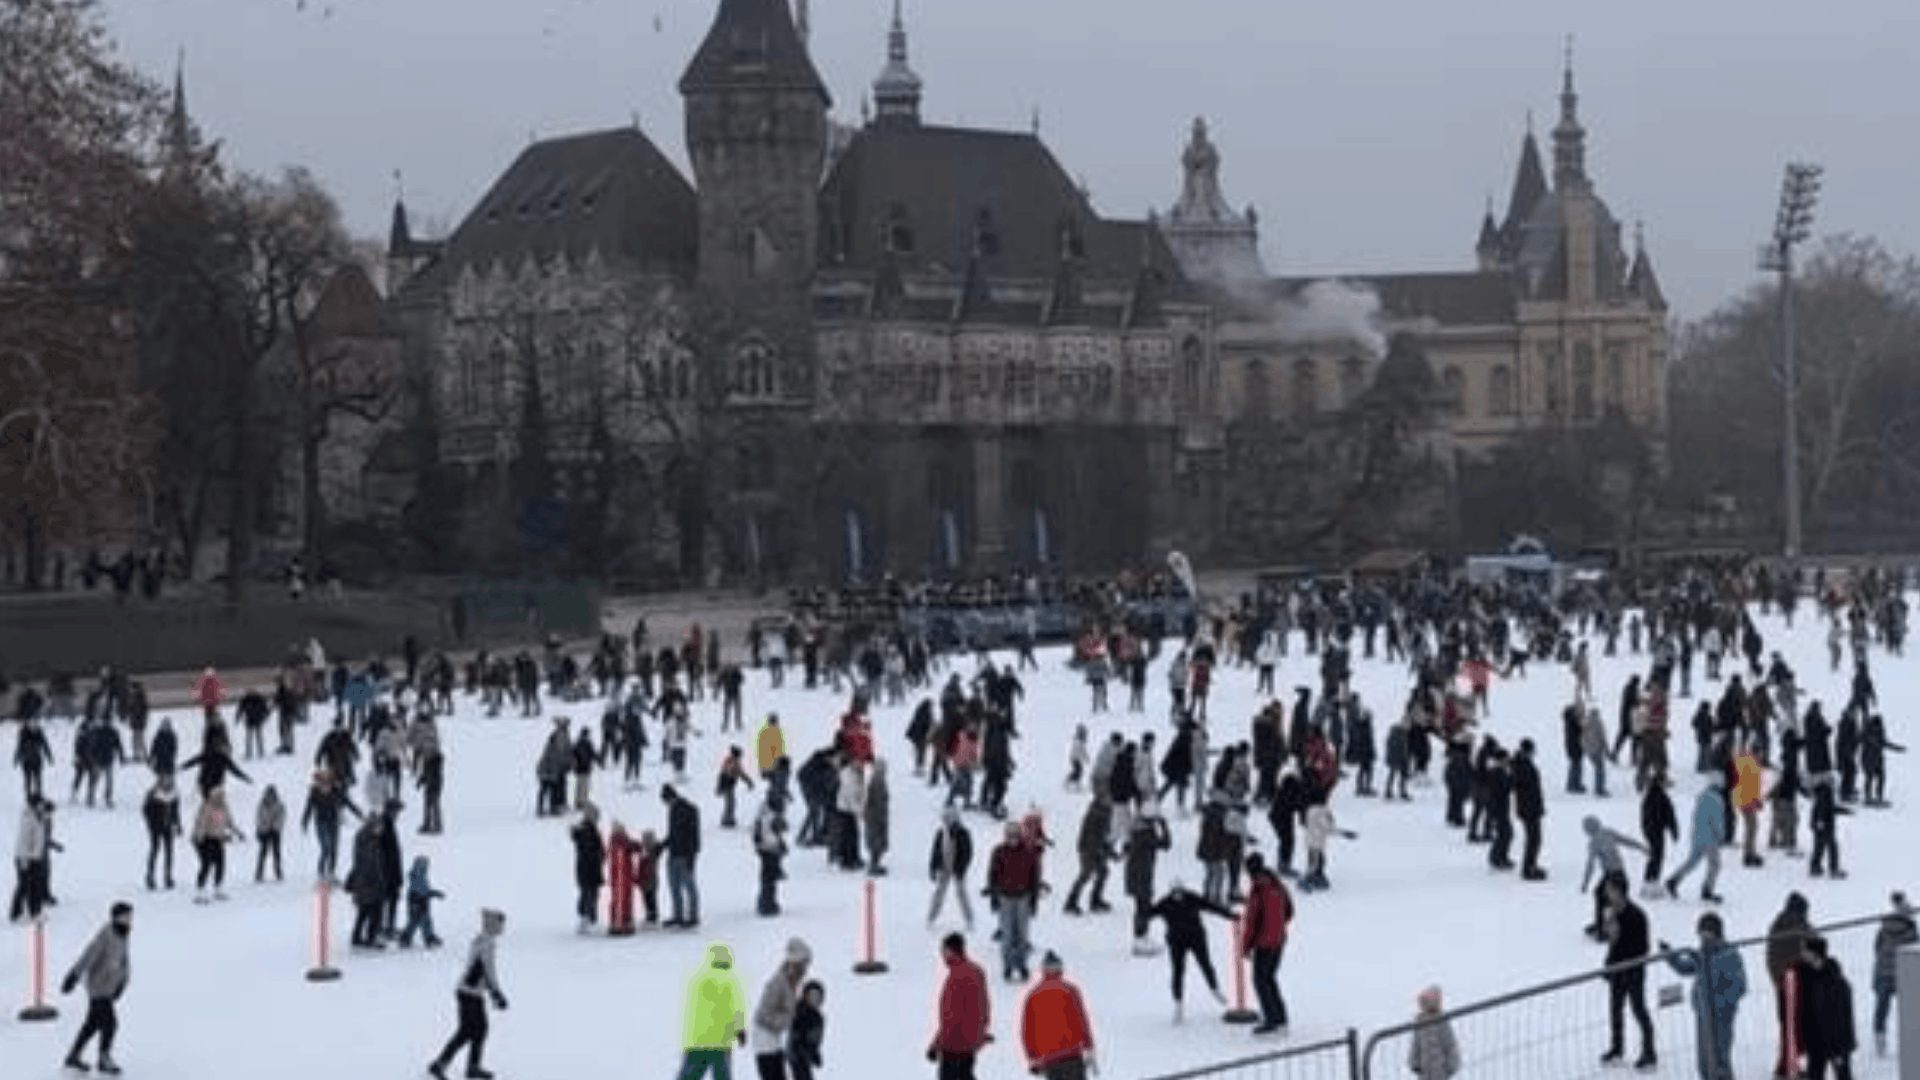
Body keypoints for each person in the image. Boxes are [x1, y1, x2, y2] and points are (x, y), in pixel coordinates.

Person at [1660, 911, 1746, 1080]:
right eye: (1701, 935)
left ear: (1717, 934)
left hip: (1721, 1017)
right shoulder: (1703, 954)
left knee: (1720, 1058)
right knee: (1704, 1060)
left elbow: (1739, 986)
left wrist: (1718, 1004)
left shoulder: (1729, 955)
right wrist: (1670, 956)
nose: (1703, 940)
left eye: (1708, 936)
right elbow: (1686, 968)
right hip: (1703, 1014)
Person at [428, 908, 508, 1080]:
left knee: (472, 1030)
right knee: (473, 1030)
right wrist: (497, 993)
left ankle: (463, 1066)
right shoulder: (487, 944)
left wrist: (494, 993)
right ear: (493, 925)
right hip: (470, 993)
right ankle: (451, 1065)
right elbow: (489, 971)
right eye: (501, 924)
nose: (503, 928)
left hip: (468, 992)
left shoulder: (481, 940)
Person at [1145, 878, 1234, 1021]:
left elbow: (1211, 906)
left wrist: (1229, 914)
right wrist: (1143, 909)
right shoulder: (1165, 903)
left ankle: (1215, 989)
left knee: (1205, 964)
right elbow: (1149, 913)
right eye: (1175, 892)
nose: (1178, 894)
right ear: (1171, 892)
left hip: (1196, 938)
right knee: (1178, 971)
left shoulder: (1192, 897)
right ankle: (1178, 1004)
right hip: (1176, 941)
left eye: (1180, 891)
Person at [60, 901, 133, 1075]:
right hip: (98, 987)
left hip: (109, 988)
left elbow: (124, 961)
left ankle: (73, 1055)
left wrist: (123, 982)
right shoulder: (105, 935)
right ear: (116, 917)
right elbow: (89, 955)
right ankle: (104, 1059)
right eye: (126, 916)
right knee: (111, 1024)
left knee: (92, 1024)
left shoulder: (123, 934)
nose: (130, 920)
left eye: (131, 916)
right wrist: (74, 975)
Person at [1598, 875, 1656, 1070]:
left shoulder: (1636, 915)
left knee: (1639, 1010)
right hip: (1616, 969)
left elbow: (1643, 947)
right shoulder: (1611, 912)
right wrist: (1608, 964)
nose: (1606, 893)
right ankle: (1617, 1048)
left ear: (1620, 891)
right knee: (1615, 1010)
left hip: (1633, 971)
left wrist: (1616, 932)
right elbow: (1612, 943)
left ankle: (1649, 1052)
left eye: (1609, 889)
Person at [1021, 950, 1096, 1080]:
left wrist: (1032, 1057)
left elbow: (1028, 1031)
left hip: (1049, 1060)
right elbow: (1081, 1020)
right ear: (1060, 969)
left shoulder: (1032, 995)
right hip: (1072, 1055)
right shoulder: (1070, 990)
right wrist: (1088, 1046)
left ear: (1043, 970)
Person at [1240, 853, 1293, 1035]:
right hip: (1279, 940)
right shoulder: (1277, 884)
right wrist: (1278, 926)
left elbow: (1252, 922)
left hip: (1264, 943)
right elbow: (1289, 910)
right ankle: (1280, 1017)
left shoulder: (1258, 889)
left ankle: (1272, 1020)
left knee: (1261, 981)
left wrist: (1245, 947)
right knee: (1269, 979)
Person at [1792, 935, 1858, 1080]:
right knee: (1814, 1074)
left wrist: (1841, 1049)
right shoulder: (1804, 977)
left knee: (1843, 1075)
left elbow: (1843, 1018)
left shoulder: (1836, 982)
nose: (1802, 953)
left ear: (1815, 954)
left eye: (1805, 951)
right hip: (1815, 1042)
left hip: (1837, 1043)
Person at [927, 933, 992, 1080]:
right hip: (971, 1043)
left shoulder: (956, 977)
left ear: (950, 951)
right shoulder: (976, 971)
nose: (942, 956)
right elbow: (984, 1006)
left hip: (955, 1045)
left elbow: (952, 1017)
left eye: (943, 951)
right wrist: (982, 1032)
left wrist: (936, 1046)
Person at [680, 942, 749, 1080]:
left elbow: (690, 1011)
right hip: (720, 1044)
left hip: (696, 1044)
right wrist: (739, 1030)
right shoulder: (730, 980)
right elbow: (736, 1010)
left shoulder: (696, 980)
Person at [751, 938, 813, 1080]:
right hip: (764, 1037)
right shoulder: (778, 982)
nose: (806, 969)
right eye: (805, 963)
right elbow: (765, 1014)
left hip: (773, 1037)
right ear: (796, 963)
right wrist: (788, 1020)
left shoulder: (790, 981)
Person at [1769, 892, 1814, 1080]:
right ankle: (1786, 1069)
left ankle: (1788, 1066)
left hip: (1781, 979)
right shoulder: (1798, 926)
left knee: (1789, 1025)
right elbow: (1814, 944)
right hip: (1795, 980)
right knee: (1794, 1026)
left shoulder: (1778, 923)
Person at [1664, 776, 1727, 904]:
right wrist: (1721, 834)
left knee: (1692, 861)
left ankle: (1674, 880)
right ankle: (1707, 890)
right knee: (1715, 864)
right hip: (1710, 836)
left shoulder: (1702, 796)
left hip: (1697, 834)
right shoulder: (1717, 798)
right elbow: (1717, 819)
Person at [1871, 892, 1918, 1056]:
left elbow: (1876, 948)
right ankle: (1911, 1039)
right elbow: (1914, 953)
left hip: (1882, 972)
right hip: (1902, 973)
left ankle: (1879, 1037)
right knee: (1910, 1008)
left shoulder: (1883, 928)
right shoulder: (1911, 931)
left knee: (1882, 1007)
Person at [928, 807, 975, 930]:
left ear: (955, 819)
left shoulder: (963, 833)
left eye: (948, 819)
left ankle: (969, 920)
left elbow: (967, 853)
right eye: (944, 819)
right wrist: (932, 868)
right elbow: (935, 851)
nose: (946, 821)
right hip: (944, 867)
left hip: (958, 868)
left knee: (961, 893)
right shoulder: (940, 833)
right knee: (939, 893)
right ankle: (931, 918)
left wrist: (962, 869)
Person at [663, 784, 702, 928]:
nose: (666, 804)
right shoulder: (673, 810)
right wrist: (662, 845)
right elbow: (673, 834)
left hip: (685, 855)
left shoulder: (689, 810)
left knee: (689, 886)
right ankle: (678, 915)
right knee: (674, 887)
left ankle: (693, 916)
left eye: (666, 801)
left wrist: (691, 857)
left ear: (671, 797)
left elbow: (693, 836)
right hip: (674, 854)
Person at [1407, 985, 1460, 1080]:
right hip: (1424, 1070)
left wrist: (1452, 1065)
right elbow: (1416, 1044)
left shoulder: (1442, 1022)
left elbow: (1450, 1044)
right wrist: (1414, 1063)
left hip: (1441, 1070)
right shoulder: (1420, 1023)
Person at [571, 803, 605, 934]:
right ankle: (585, 918)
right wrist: (597, 855)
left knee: (591, 893)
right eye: (596, 816)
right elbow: (588, 848)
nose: (597, 818)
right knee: (588, 893)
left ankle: (590, 917)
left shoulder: (590, 828)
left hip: (591, 867)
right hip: (588, 867)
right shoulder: (586, 829)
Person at [788, 980, 825, 1080]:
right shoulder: (798, 1011)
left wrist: (814, 1053)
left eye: (817, 997)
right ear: (805, 996)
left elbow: (814, 1039)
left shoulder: (818, 1018)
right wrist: (798, 1046)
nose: (814, 999)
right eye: (812, 996)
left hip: (805, 1057)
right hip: (794, 1057)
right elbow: (791, 1034)